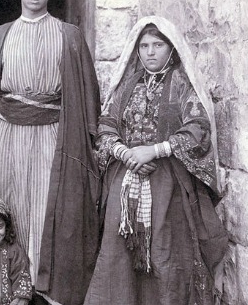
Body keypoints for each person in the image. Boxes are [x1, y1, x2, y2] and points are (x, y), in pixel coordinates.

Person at [0, 0, 101, 305]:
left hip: (52, 137)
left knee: (47, 209)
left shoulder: (69, 36)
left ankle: (43, 289)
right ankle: (5, 288)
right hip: (6, 138)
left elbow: (88, 98)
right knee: (7, 205)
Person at [84, 16, 229, 304]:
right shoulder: (127, 85)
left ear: (171, 49)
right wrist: (127, 154)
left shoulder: (182, 85)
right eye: (144, 46)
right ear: (136, 50)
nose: (150, 52)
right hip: (124, 178)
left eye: (158, 45)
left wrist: (156, 150)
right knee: (117, 249)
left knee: (165, 251)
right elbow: (106, 124)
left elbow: (198, 128)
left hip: (168, 183)